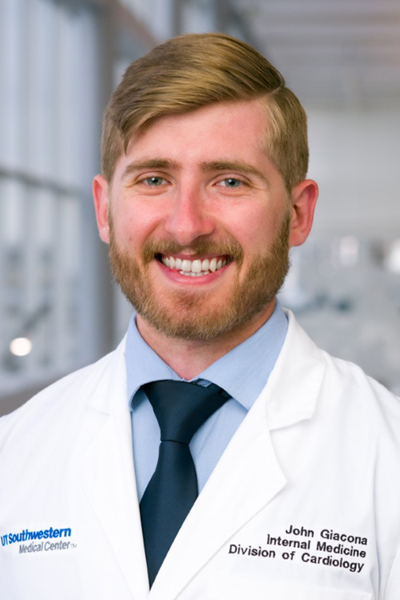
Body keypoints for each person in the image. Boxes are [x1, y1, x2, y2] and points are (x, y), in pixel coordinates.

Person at [0, 32, 399, 600]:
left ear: (297, 213)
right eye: (154, 179)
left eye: (229, 181)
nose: (187, 226)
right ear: (104, 208)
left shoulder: (387, 456)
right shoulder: (14, 452)